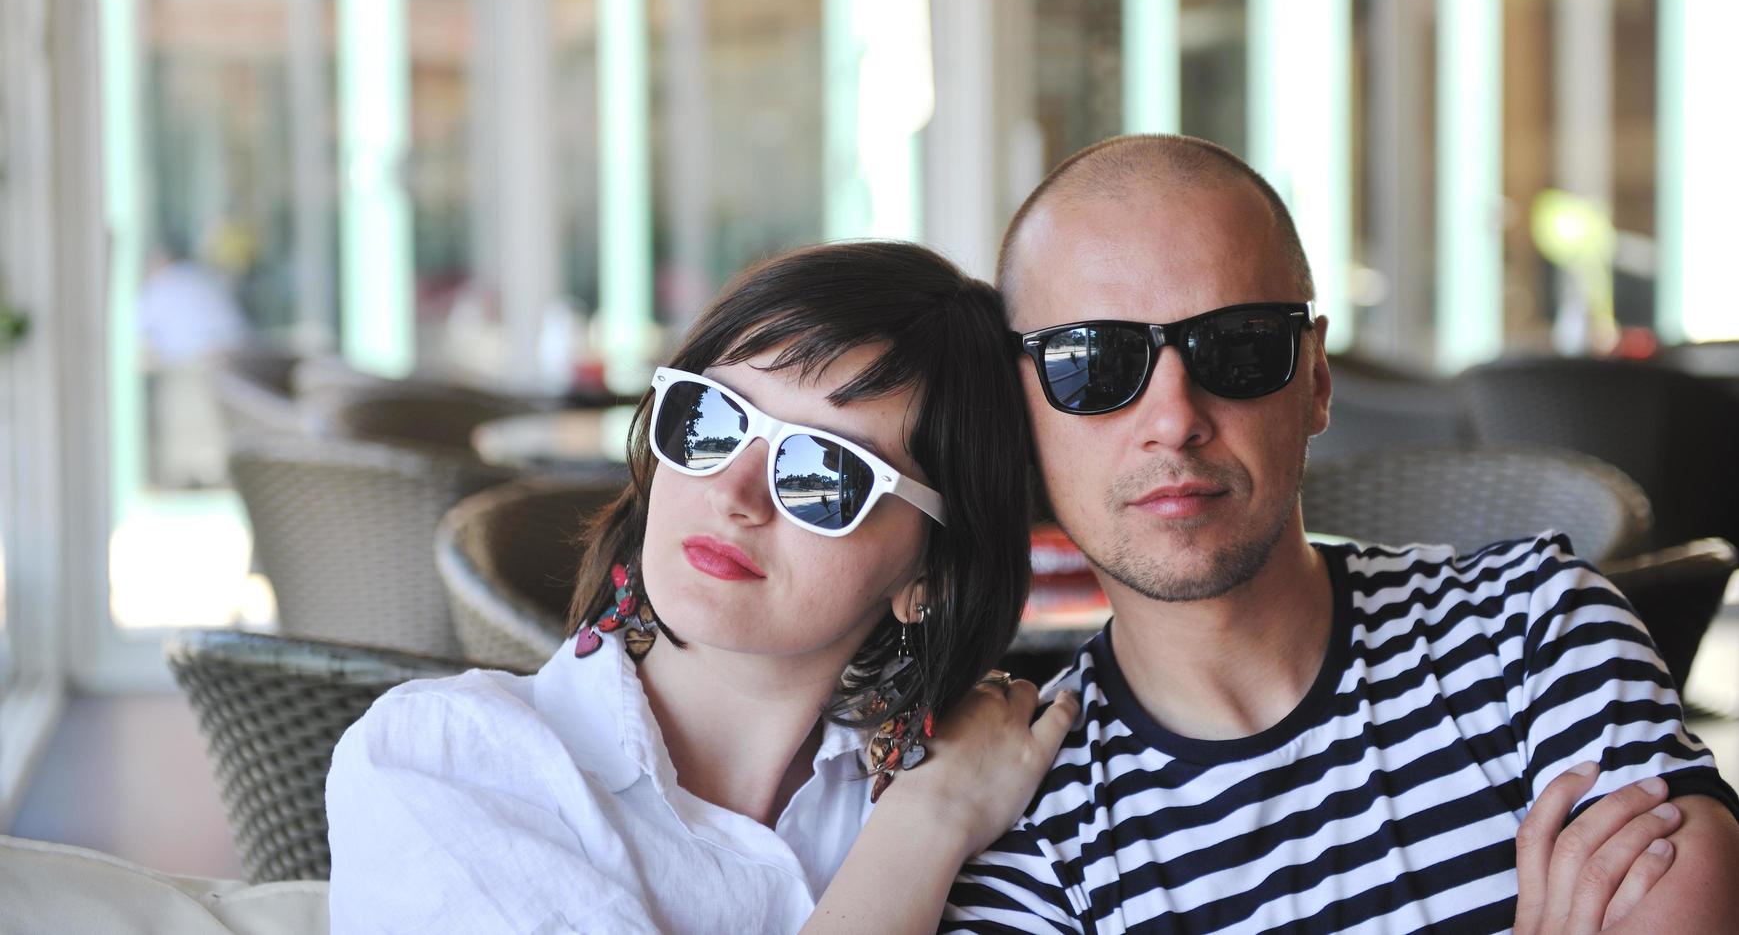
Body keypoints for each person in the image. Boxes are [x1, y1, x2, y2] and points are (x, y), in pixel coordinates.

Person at [945, 134, 1739, 932]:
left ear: (1315, 380)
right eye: (1093, 363)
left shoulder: (1536, 631)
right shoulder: (1027, 823)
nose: (1174, 420)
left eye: (1239, 346)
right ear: (1021, 416)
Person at [326, 241, 1077, 933]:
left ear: (930, 572)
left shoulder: (997, 783)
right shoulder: (445, 761)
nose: (733, 491)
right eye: (711, 419)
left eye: (823, 473)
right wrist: (925, 825)